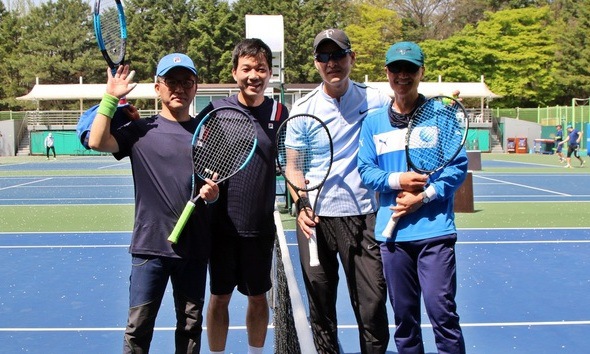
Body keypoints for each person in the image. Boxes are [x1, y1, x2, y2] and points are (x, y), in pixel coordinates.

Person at [88, 53, 219, 354]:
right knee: (138, 330)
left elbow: (213, 188)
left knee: (190, 327)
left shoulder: (207, 134)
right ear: (157, 87)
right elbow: (97, 141)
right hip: (149, 249)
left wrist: (213, 196)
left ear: (196, 87)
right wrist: (110, 97)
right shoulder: (140, 130)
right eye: (171, 82)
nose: (179, 89)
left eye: (187, 82)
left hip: (194, 250)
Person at [357, 41, 467, 354]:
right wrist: (397, 180)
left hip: (435, 233)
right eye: (396, 68)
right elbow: (366, 171)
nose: (402, 75)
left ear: (422, 72)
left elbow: (457, 168)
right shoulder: (373, 122)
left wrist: (424, 196)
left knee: (441, 314)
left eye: (410, 69)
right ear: (387, 72)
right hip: (392, 238)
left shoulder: (441, 116)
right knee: (404, 321)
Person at [288, 29, 390, 354]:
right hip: (315, 223)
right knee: (321, 312)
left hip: (365, 218)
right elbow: (294, 167)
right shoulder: (302, 109)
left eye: (338, 55)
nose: (332, 63)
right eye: (324, 56)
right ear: (316, 63)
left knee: (372, 309)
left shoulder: (377, 100)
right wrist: (302, 204)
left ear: (352, 58)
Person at [200, 38, 288, 354]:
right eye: (247, 68)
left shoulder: (280, 112)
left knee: (258, 297)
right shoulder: (215, 111)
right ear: (235, 72)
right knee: (219, 297)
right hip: (221, 227)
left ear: (269, 73)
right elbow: (199, 162)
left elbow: (289, 162)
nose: (254, 75)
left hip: (259, 228)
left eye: (261, 69)